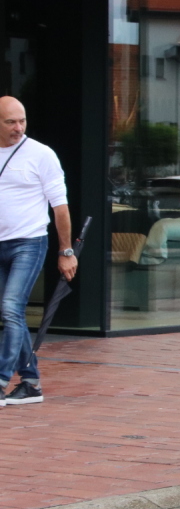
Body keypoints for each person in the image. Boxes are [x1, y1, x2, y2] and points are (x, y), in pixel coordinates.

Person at [0, 96, 77, 407]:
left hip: (29, 243)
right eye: (10, 122)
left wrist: (66, 251)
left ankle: (2, 378)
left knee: (9, 308)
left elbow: (60, 207)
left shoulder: (41, 155)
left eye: (23, 120)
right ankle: (30, 383)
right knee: (12, 313)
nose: (19, 127)